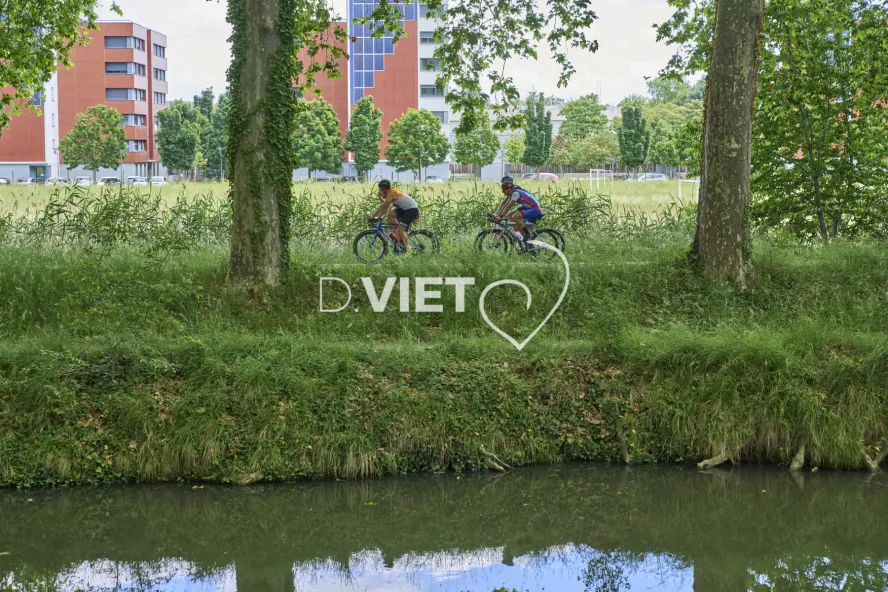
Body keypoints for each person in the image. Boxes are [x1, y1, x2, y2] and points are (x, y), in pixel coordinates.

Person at [369, 180, 419, 253]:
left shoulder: (391, 194)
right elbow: (385, 205)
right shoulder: (389, 194)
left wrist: (373, 216)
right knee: (390, 214)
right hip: (405, 209)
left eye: (380, 189)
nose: (379, 191)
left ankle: (408, 250)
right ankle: (396, 236)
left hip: (411, 210)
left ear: (384, 189)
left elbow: (384, 206)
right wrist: (380, 197)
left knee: (400, 230)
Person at [492, 176, 542, 242]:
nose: (502, 192)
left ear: (508, 189)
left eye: (503, 190)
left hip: (534, 208)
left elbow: (508, 206)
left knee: (515, 216)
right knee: (517, 223)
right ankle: (526, 242)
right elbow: (505, 204)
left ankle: (526, 234)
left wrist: (500, 216)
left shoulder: (515, 193)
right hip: (528, 207)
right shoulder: (512, 192)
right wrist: (498, 215)